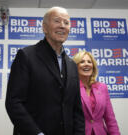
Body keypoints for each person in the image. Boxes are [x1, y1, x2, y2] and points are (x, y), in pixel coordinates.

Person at [5, 7, 85, 135]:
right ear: (44, 28)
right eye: (57, 21)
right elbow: (14, 103)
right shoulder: (26, 56)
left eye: (66, 22)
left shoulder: (72, 65)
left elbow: (76, 109)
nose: (62, 26)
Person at [73, 50, 120, 135]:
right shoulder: (71, 87)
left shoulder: (102, 87)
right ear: (75, 66)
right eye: (82, 62)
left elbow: (110, 119)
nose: (86, 64)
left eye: (89, 62)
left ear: (93, 66)